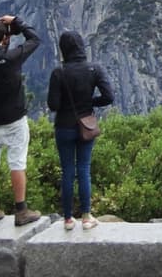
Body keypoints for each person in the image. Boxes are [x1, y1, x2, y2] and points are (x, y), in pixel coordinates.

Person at [0, 14, 44, 226]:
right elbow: (34, 39)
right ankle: (21, 210)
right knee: (17, 163)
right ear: (5, 40)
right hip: (14, 118)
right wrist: (17, 22)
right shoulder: (12, 59)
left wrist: (3, 36)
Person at [47, 30, 113, 231]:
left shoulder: (59, 72)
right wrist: (89, 102)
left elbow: (53, 105)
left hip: (64, 126)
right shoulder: (95, 69)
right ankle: (86, 216)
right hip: (86, 125)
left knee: (67, 170)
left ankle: (67, 219)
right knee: (84, 169)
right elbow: (108, 97)